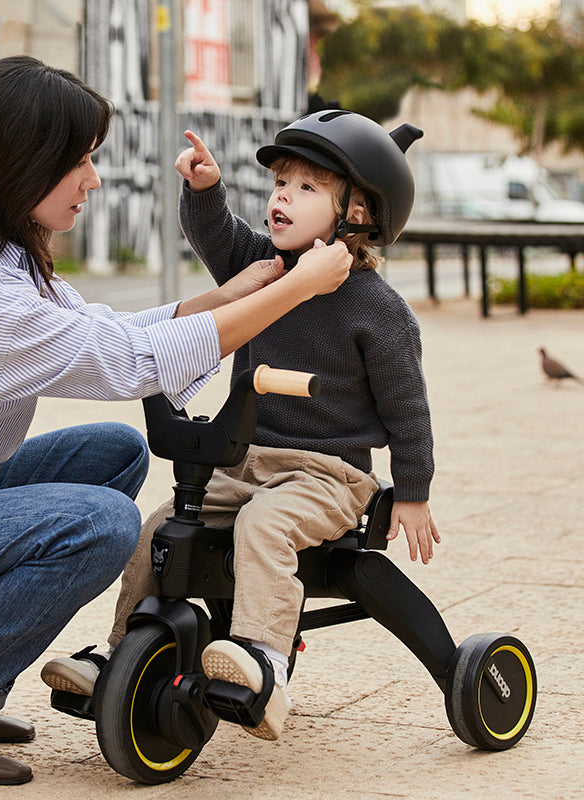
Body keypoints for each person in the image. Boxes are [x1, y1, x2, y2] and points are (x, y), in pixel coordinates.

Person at [0, 56, 354, 786]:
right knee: (100, 522)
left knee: (114, 454)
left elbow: (107, 327)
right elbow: (125, 361)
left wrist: (234, 292)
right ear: (22, 163)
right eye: (79, 161)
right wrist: (293, 292)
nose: (93, 180)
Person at [42, 110, 441, 742]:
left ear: (357, 214)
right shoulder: (266, 264)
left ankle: (263, 661)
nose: (282, 195)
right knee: (163, 527)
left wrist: (412, 492)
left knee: (263, 528)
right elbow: (216, 238)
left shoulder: (379, 312)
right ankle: (120, 651)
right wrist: (204, 190)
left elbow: (407, 410)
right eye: (281, 182)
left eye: (306, 188)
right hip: (244, 464)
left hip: (327, 477)